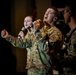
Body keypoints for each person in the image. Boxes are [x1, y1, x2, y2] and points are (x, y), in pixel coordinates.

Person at [61, 0, 76, 74]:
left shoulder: (75, 34)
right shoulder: (70, 33)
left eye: (64, 13)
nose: (63, 16)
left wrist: (55, 58)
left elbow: (73, 58)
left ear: (69, 12)